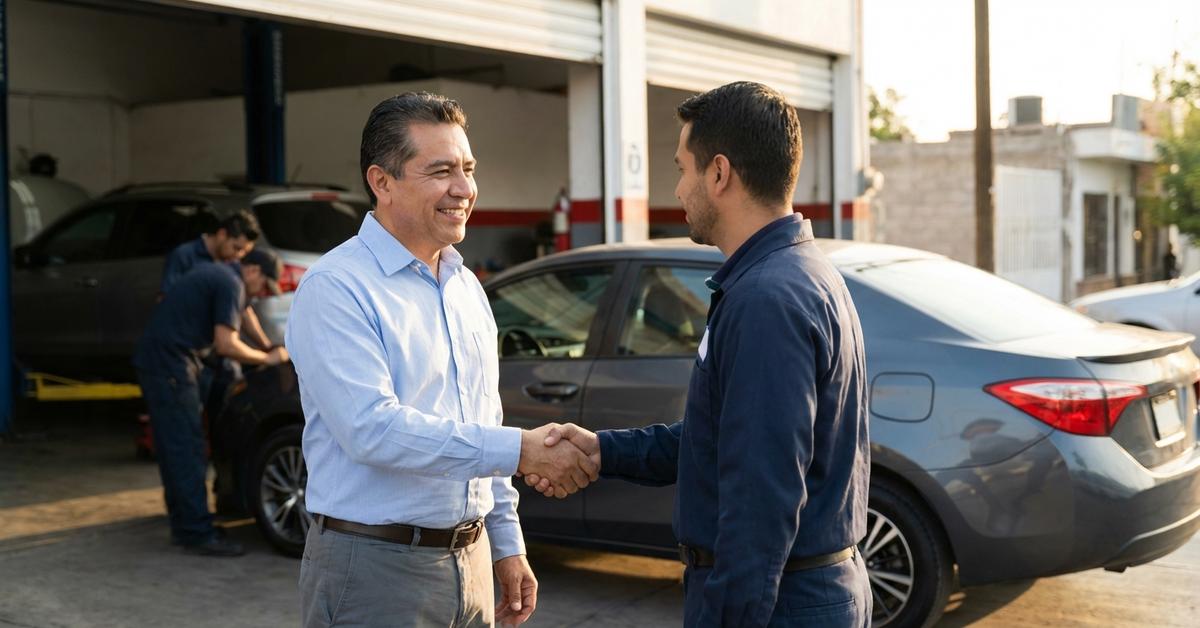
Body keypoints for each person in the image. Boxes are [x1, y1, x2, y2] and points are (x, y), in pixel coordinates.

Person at [526, 82, 872, 627]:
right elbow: (724, 441)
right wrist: (603, 452)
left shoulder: (766, 299)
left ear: (719, 174)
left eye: (683, 168)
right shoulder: (797, 272)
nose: (679, 187)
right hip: (801, 592)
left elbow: (762, 501)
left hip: (781, 603)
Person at [285, 92, 598, 627]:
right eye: (441, 171)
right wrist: (522, 451)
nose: (464, 189)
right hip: (374, 572)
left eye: (468, 169)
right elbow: (372, 429)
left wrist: (505, 541)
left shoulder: (464, 287)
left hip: (470, 563)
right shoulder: (337, 287)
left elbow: (482, 422)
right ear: (381, 182)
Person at [134, 248, 292, 557]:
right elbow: (226, 343)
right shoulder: (230, 283)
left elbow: (243, 314)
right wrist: (267, 358)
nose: (261, 295)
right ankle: (195, 533)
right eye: (263, 287)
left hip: (164, 360)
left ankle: (184, 522)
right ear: (254, 272)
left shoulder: (225, 275)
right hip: (171, 364)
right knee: (186, 447)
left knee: (176, 445)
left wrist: (267, 345)